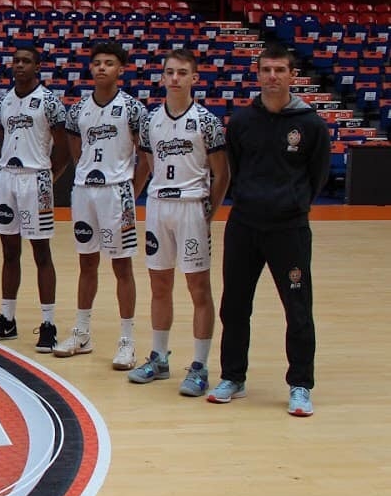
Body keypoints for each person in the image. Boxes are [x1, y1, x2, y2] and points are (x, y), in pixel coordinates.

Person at [208, 43, 329, 417]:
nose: (273, 77)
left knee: (297, 309)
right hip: (244, 225)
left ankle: (300, 385)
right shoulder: (242, 122)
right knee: (235, 305)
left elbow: (318, 176)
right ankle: (233, 378)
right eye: (266, 70)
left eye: (280, 70)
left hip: (288, 230)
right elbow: (237, 170)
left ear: (293, 75)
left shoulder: (310, 124)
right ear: (257, 74)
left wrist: (291, 203)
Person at [130, 48, 230, 395]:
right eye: (169, 72)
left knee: (198, 288)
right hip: (158, 207)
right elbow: (145, 165)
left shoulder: (207, 121)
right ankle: (159, 357)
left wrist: (209, 214)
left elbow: (222, 174)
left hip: (191, 208)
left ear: (194, 78)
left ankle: (200, 366)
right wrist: (133, 202)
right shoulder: (149, 121)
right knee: (159, 286)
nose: (174, 78)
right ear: (162, 77)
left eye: (182, 73)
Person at [55, 41, 148, 363]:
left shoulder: (133, 109)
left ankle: (127, 340)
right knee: (86, 262)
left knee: (122, 265)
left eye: (109, 63)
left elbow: (145, 158)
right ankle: (82, 333)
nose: (102, 68)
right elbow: (74, 148)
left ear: (121, 69)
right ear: (90, 68)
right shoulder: (78, 109)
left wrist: (131, 192)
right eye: (97, 63)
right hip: (84, 191)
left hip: (116, 192)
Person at [0, 45, 70, 350]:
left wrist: (47, 178)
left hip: (36, 178)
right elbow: (3, 139)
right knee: (8, 251)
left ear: (37, 66)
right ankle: (8, 319)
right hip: (8, 179)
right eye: (15, 61)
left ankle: (48, 324)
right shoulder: (2, 102)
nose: (19, 66)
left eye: (26, 61)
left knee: (41, 252)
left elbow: (65, 150)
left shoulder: (50, 102)